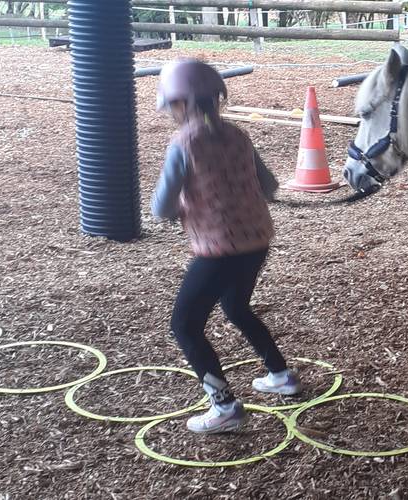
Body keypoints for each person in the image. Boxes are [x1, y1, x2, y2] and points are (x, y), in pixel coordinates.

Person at [151, 59, 301, 434]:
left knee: (185, 325)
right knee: (236, 307)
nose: (170, 112)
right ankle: (280, 375)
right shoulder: (237, 135)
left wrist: (183, 209)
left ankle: (224, 407)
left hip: (219, 248)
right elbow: (269, 185)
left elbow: (161, 207)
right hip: (257, 240)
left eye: (171, 105)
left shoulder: (184, 142)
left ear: (182, 103)